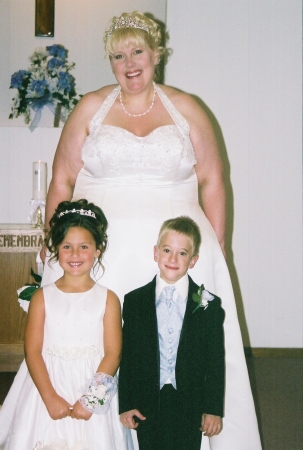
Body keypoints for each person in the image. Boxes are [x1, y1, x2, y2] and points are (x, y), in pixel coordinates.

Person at [0, 10, 262, 450]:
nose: (129, 63)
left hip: (177, 253)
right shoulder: (88, 108)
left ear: (156, 54)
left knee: (186, 349)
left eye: (137, 51)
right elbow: (62, 179)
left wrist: (218, 249)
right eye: (118, 55)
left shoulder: (188, 108)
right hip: (101, 257)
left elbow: (214, 179)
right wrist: (55, 240)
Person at [4, 199, 133, 450]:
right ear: (56, 249)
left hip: (92, 387)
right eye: (67, 246)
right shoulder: (42, 298)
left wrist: (91, 401)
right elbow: (32, 351)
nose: (75, 254)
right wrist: (50, 398)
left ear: (97, 249)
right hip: (48, 388)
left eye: (84, 246)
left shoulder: (109, 299)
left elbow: (113, 354)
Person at [119, 216, 225, 450]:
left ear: (193, 260)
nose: (173, 259)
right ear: (156, 253)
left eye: (182, 253)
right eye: (167, 250)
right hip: (147, 400)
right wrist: (126, 403)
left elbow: (215, 361)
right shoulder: (135, 301)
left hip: (190, 401)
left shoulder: (209, 305)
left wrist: (213, 408)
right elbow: (128, 356)